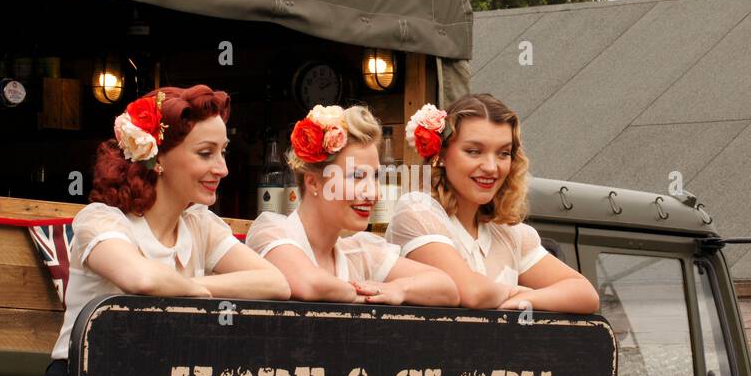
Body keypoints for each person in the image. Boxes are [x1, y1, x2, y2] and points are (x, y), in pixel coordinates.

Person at [9, 84, 290, 376]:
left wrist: (193, 289)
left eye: (223, 153)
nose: (223, 169)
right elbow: (139, 279)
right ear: (158, 157)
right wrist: (205, 293)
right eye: (206, 153)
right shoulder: (101, 219)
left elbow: (275, 283)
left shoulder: (199, 223)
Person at [386, 94, 599, 313]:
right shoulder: (418, 212)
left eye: (503, 153)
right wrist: (519, 292)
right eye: (474, 151)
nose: (491, 166)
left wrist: (527, 301)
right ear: (441, 154)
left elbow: (585, 294)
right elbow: (472, 293)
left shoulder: (511, 234)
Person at [247, 104, 458, 306]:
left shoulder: (360, 252)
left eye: (375, 176)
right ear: (313, 182)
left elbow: (447, 287)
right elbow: (310, 284)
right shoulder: (271, 231)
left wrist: (398, 289)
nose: (373, 193)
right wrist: (359, 294)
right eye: (356, 176)